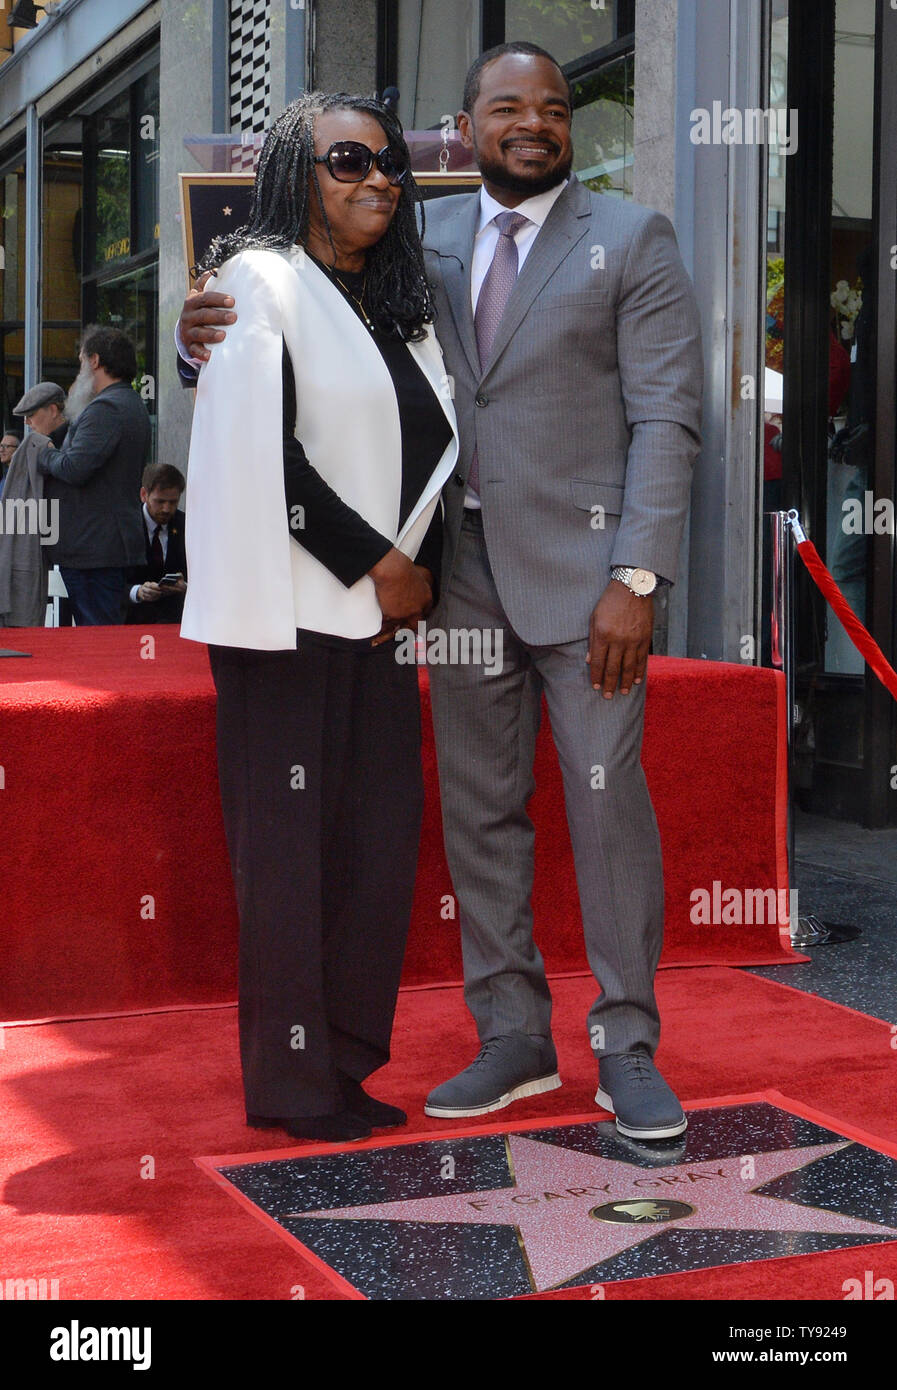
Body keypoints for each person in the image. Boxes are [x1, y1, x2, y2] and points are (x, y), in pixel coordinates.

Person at [177, 44, 703, 1142]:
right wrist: (195, 342)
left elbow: (667, 416)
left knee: (606, 804)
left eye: (553, 108)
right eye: (507, 106)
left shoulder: (631, 237)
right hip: (452, 588)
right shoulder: (422, 236)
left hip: (590, 586)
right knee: (478, 814)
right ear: (467, 129)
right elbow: (294, 320)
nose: (533, 123)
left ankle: (626, 1045)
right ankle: (511, 1033)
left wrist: (637, 575)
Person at [179, 91, 458, 1142]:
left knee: (374, 849)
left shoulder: (395, 307)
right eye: (349, 161)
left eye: (390, 166)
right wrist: (380, 565)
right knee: (290, 857)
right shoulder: (260, 277)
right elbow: (267, 450)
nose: (377, 179)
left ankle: (343, 1060)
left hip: (379, 623)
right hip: (288, 619)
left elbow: (429, 462)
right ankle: (293, 1084)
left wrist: (412, 576)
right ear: (300, 172)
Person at [34, 327, 150, 625]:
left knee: (98, 638)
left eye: (81, 361)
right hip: (101, 548)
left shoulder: (106, 408)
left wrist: (42, 453)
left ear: (95, 360)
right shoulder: (127, 402)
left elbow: (74, 468)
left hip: (95, 550)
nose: (80, 370)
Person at [126, 462, 188, 625]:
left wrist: (186, 587)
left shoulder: (187, 525)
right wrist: (137, 592)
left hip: (175, 619)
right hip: (131, 620)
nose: (166, 509)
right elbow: (108, 582)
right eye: (160, 501)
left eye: (173, 502)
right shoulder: (125, 526)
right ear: (144, 495)